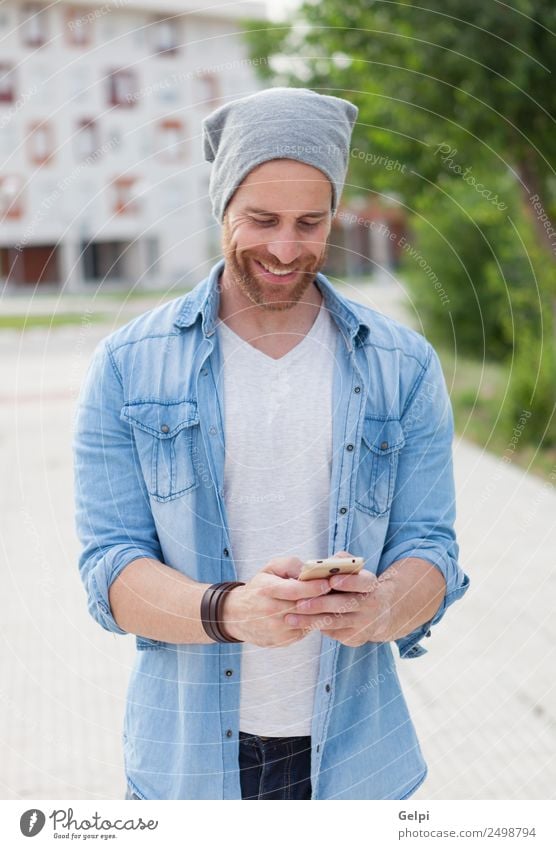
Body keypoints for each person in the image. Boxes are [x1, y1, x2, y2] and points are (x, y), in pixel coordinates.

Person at [73, 87, 470, 801]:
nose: (286, 248)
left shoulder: (402, 365)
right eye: (261, 219)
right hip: (185, 768)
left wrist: (383, 607)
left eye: (309, 222)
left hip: (358, 766)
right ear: (221, 205)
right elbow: (109, 568)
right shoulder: (128, 363)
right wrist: (230, 611)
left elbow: (432, 551)